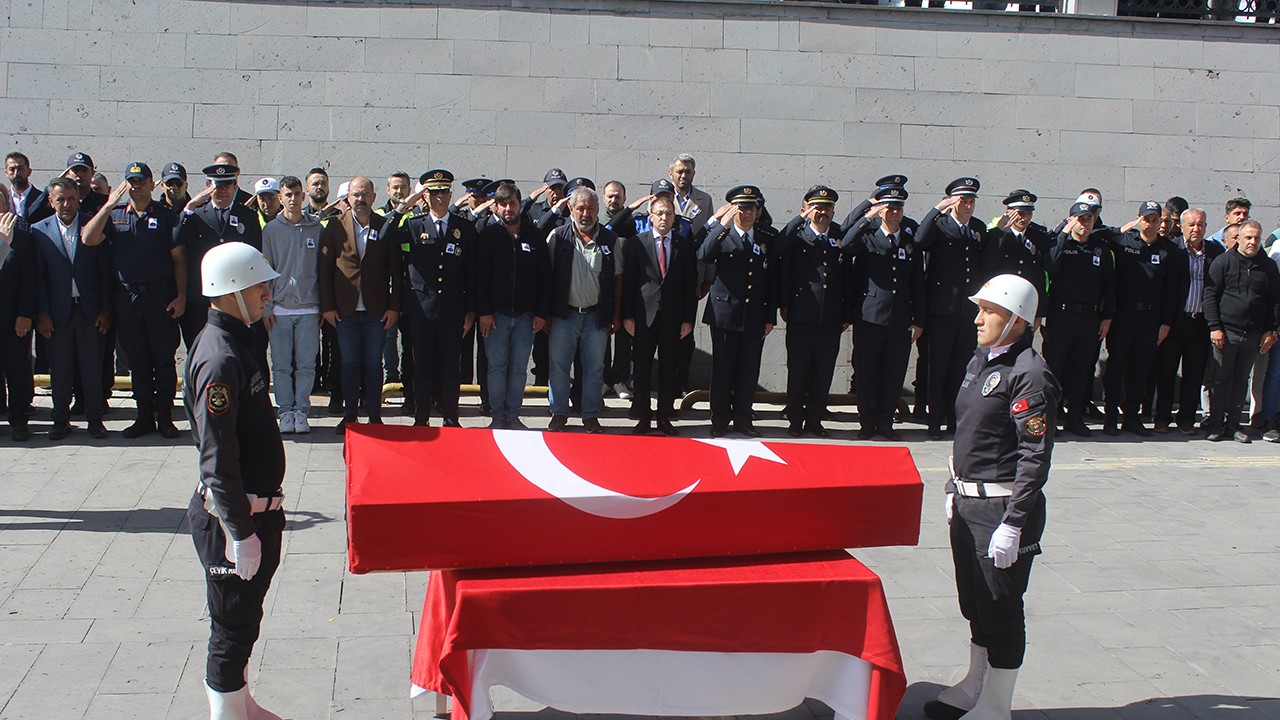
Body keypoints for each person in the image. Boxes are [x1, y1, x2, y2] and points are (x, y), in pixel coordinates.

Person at [926, 274, 1058, 720]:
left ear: (1017, 321)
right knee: (975, 601)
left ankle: (997, 705)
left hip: (1001, 510)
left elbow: (1034, 456)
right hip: (969, 502)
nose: (978, 318)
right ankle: (976, 685)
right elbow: (969, 434)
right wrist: (953, 488)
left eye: (989, 311)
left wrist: (1015, 522)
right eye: (979, 309)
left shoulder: (1030, 374)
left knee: (1001, 608)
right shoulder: (982, 360)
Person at [184, 241, 286, 720]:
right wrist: (240, 532)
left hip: (257, 510)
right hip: (236, 517)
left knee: (244, 622)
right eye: (257, 285)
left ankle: (240, 704)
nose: (266, 292)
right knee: (230, 628)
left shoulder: (241, 337)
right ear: (229, 292)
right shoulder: (220, 357)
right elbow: (217, 456)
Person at [85, 163, 186, 439]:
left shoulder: (166, 216)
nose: (136, 185)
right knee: (138, 362)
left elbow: (179, 260)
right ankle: (143, 417)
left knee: (164, 360)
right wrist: (107, 205)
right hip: (128, 298)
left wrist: (181, 296)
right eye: (131, 181)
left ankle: (164, 417)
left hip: (160, 297)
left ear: (152, 184)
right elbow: (88, 238)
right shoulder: (115, 214)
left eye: (141, 181)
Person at [383, 170, 477, 427]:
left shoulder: (464, 228)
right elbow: (384, 237)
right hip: (421, 311)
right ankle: (421, 418)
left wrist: (470, 312)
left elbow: (472, 272)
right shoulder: (414, 225)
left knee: (450, 368)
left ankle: (450, 417)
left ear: (450, 195)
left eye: (444, 192)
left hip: (452, 310)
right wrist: (406, 205)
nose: (440, 198)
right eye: (434, 193)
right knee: (421, 367)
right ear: (426, 196)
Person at [31, 177, 114, 440]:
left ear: (79, 198)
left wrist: (105, 308)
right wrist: (42, 313)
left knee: (92, 368)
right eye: (60, 199)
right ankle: (60, 420)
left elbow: (105, 272)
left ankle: (95, 419)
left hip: (88, 311)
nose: (66, 204)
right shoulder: (39, 231)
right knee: (61, 369)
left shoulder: (93, 225)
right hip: (57, 314)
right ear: (50, 201)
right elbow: (38, 277)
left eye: (70, 198)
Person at [841, 185, 925, 441]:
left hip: (900, 320)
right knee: (867, 372)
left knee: (893, 372)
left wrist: (919, 319)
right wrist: (867, 215)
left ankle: (886, 422)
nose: (894, 212)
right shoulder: (867, 237)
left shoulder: (910, 242)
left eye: (898, 208)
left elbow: (918, 283)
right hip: (869, 317)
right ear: (880, 211)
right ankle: (867, 422)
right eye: (889, 207)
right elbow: (845, 243)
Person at [318, 177, 402, 432]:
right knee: (349, 363)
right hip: (345, 310)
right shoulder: (334, 226)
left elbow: (396, 271)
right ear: (348, 198)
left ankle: (375, 415)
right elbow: (324, 270)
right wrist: (328, 306)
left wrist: (394, 306)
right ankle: (351, 414)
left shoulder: (384, 225)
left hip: (376, 310)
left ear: (374, 197)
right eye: (356, 195)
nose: (361, 199)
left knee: (374, 363)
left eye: (365, 194)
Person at [915, 179, 993, 439]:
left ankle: (955, 417)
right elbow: (920, 240)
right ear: (952, 201)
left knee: (962, 367)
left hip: (968, 311)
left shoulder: (978, 228)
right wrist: (938, 210)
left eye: (971, 201)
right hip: (941, 309)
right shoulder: (940, 225)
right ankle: (934, 419)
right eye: (963, 200)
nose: (968, 205)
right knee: (938, 368)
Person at [697, 185, 777, 438]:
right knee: (723, 369)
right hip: (724, 313)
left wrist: (769, 317)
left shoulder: (766, 236)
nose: (748, 212)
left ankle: (743, 418)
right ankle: (720, 420)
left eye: (752, 207)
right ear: (733, 209)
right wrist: (722, 224)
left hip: (754, 315)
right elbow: (704, 254)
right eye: (742, 208)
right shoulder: (722, 234)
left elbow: (772, 280)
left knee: (748, 369)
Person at [1097, 201, 1181, 436]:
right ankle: (1111, 416)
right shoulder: (1124, 242)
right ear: (1139, 219)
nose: (1151, 224)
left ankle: (1132, 418)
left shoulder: (1168, 251)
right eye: (1147, 219)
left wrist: (1166, 323)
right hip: (1123, 315)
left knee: (1140, 369)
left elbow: (1172, 291)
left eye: (1156, 219)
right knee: (1115, 366)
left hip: (1150, 317)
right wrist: (1120, 230)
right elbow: (1094, 234)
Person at [475, 182, 551, 429]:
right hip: (495, 316)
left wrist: (541, 313)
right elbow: (480, 278)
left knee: (519, 369)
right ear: (496, 207)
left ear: (520, 205)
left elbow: (544, 278)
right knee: (496, 368)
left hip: (526, 317)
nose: (509, 208)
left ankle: (513, 416)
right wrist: (484, 312)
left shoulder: (535, 235)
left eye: (513, 203)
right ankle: (498, 417)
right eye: (504, 204)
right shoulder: (488, 236)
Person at [777, 186, 850, 438]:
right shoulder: (797, 235)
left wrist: (846, 314)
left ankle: (815, 420)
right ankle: (795, 420)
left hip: (831, 317)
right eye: (817, 207)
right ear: (808, 209)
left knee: (823, 371)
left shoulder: (841, 235)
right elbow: (779, 249)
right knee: (798, 370)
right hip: (801, 314)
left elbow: (850, 277)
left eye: (827, 207)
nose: (822, 212)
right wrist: (800, 218)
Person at [545, 187, 619, 433]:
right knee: (558, 367)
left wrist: (614, 314)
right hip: (563, 316)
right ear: (571, 209)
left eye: (590, 208)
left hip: (596, 316)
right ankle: (559, 413)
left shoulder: (610, 239)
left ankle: (590, 415)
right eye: (580, 208)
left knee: (595, 368)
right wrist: (546, 313)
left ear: (598, 210)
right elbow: (545, 276)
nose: (585, 213)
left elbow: (618, 279)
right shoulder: (557, 237)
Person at [1203, 220, 1280, 442]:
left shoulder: (1268, 267)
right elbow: (1210, 296)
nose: (1253, 242)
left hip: (1254, 335)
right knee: (1220, 379)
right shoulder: (1223, 262)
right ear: (1239, 238)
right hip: (1225, 333)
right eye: (1248, 237)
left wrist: (1271, 331)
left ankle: (1234, 426)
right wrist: (1215, 327)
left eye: (1257, 238)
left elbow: (1275, 301)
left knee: (1240, 380)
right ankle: (1216, 425)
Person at [1043, 202, 1114, 437]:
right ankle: (1049, 419)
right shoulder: (1060, 244)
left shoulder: (1100, 249)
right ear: (1071, 220)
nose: (1085, 224)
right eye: (1080, 219)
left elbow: (1109, 287)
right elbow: (1050, 266)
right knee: (1055, 369)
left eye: (1089, 219)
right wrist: (1063, 235)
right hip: (1061, 316)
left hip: (1088, 318)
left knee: (1081, 370)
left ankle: (1074, 418)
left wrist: (1106, 317)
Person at [261, 175, 323, 434]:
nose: (293, 199)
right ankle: (285, 410)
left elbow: (322, 268)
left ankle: (301, 411)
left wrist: (322, 304)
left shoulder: (316, 229)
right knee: (282, 365)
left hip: (309, 307)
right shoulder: (271, 230)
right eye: (288, 195)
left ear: (304, 194)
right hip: (280, 309)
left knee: (307, 364)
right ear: (280, 198)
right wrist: (266, 307)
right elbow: (265, 270)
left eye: (297, 194)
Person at [1153, 208, 1222, 434]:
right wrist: (1164, 321)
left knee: (1193, 373)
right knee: (1167, 371)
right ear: (1181, 226)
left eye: (1200, 224)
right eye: (1191, 224)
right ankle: (1162, 417)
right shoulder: (1173, 250)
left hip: (1200, 322)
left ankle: (1186, 419)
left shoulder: (1214, 251)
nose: (1196, 229)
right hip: (1175, 321)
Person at [0, 189, 38, 441]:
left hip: (13, 316)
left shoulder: (20, 229)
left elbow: (29, 276)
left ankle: (19, 421)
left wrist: (25, 313)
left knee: (17, 371)